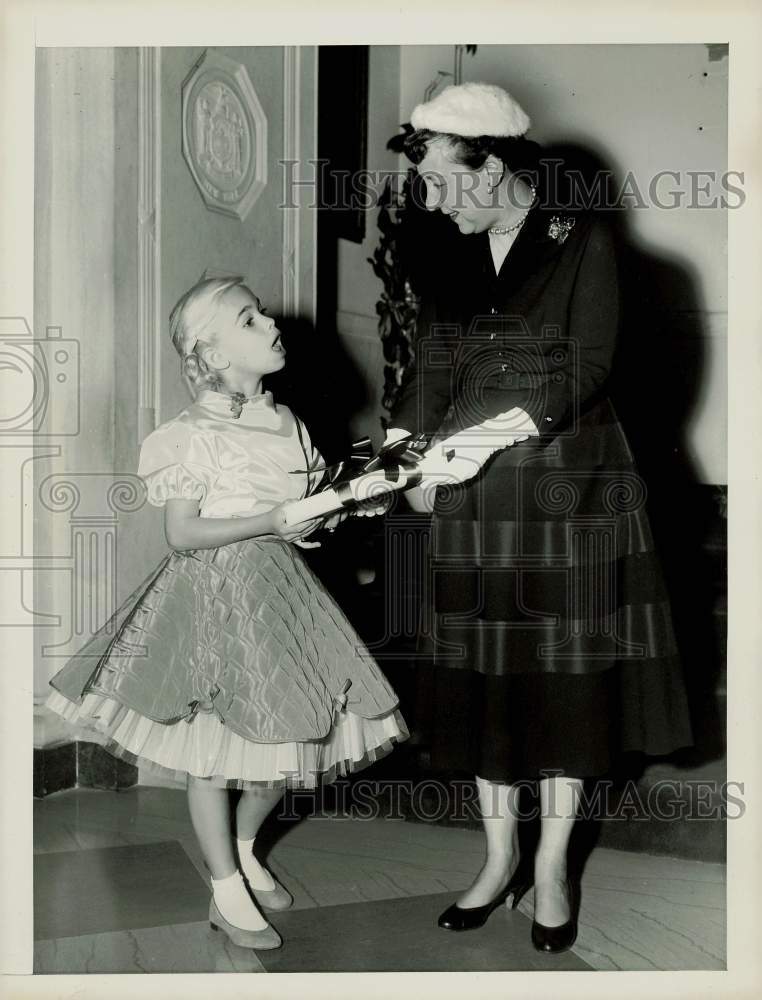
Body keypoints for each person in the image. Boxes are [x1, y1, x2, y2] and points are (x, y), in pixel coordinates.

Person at [386, 83, 693, 953]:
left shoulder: (580, 234)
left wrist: (478, 443)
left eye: (446, 184)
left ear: (497, 169)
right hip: (474, 492)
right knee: (485, 683)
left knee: (567, 688)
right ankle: (496, 859)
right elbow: (428, 365)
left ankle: (552, 867)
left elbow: (585, 364)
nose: (434, 203)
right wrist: (407, 448)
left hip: (571, 480)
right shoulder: (443, 245)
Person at [45, 276, 408, 951]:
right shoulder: (188, 435)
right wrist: (270, 518)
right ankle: (224, 887)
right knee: (212, 753)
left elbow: (303, 521)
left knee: (294, 739)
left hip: (284, 591)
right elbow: (182, 534)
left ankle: (243, 847)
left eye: (261, 311)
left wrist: (346, 506)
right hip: (213, 594)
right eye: (247, 319)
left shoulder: (288, 422)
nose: (269, 322)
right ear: (211, 355)